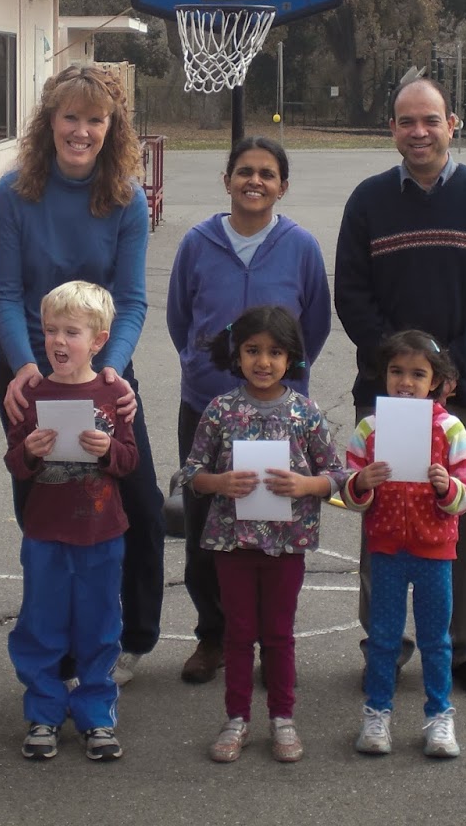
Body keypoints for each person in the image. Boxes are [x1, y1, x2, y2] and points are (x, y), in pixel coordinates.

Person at [334, 76, 466, 697]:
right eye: (406, 121)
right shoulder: (366, 203)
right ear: (392, 128)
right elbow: (352, 296)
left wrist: (449, 370)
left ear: (453, 123)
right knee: (383, 521)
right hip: (389, 394)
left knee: (462, 517)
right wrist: (403, 368)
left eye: (430, 120)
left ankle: (462, 645)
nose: (418, 132)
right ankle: (385, 646)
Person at [0, 64, 165, 685]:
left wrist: (107, 371)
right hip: (30, 372)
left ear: (112, 127)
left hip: (102, 372)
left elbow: (133, 299)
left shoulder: (124, 199)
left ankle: (134, 636)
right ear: (50, 121)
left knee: (137, 502)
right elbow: (7, 292)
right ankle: (58, 648)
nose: (81, 131)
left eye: (95, 119)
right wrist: (28, 369)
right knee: (46, 507)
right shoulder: (14, 193)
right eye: (71, 116)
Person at [166, 136, 331, 685]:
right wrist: (201, 366)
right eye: (243, 171)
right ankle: (214, 636)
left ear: (282, 185)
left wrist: (284, 379)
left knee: (272, 524)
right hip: (209, 407)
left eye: (266, 173)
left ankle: (269, 640)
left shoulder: (301, 245)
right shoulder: (197, 242)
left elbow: (315, 326)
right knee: (206, 525)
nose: (253, 181)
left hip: (279, 414)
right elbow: (179, 317)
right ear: (227, 179)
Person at [173, 305, 344, 765]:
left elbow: (337, 475)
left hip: (287, 545)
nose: (263, 361)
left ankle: (282, 718)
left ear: (291, 358)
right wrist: (217, 482)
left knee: (278, 634)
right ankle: (237, 719)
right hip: (232, 543)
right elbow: (190, 472)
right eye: (252, 350)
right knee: (238, 633)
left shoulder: (305, 412)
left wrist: (306, 485)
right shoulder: (220, 410)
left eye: (274, 352)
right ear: (237, 354)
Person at [5, 281, 136, 763]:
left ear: (98, 340)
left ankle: (96, 714)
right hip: (45, 532)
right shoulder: (33, 391)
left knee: (100, 627)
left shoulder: (114, 392)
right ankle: (43, 712)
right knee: (40, 625)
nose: (58, 341)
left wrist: (108, 452)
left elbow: (130, 460)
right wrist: (30, 454)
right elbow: (14, 464)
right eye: (51, 330)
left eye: (72, 332)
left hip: (101, 533)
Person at [342, 330, 466, 759]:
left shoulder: (450, 428)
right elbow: (347, 489)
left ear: (436, 382)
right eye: (396, 371)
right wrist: (360, 484)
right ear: (384, 375)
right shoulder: (369, 428)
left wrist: (448, 488)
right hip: (386, 549)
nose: (405, 382)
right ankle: (376, 713)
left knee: (436, 639)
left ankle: (440, 716)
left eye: (417, 374)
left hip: (434, 551)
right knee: (384, 637)